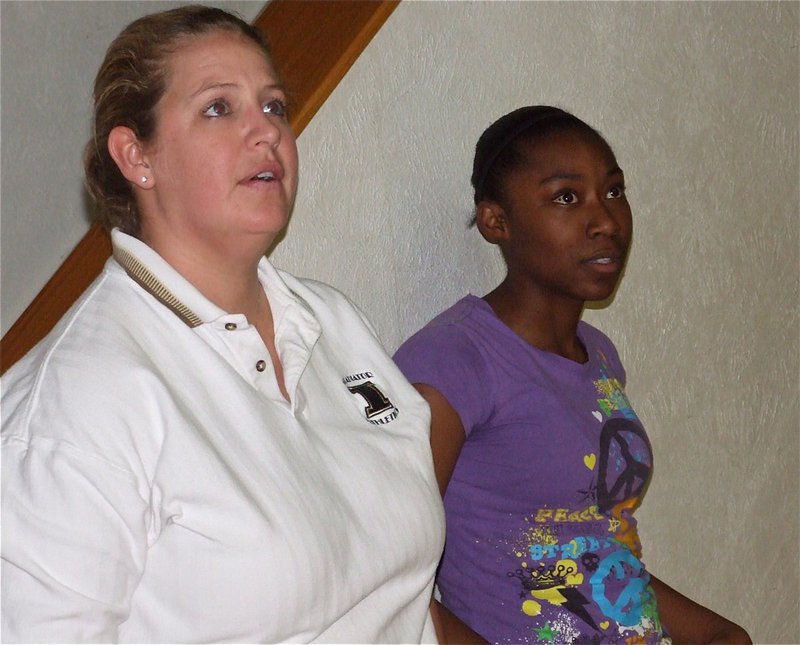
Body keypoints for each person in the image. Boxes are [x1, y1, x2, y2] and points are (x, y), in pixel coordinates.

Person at [0, 6, 447, 642]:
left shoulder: (332, 320)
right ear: (136, 155)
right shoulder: (75, 403)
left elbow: (403, 591)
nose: (265, 132)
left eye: (274, 107)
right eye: (218, 108)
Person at [393, 106, 752, 644]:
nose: (605, 220)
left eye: (613, 192)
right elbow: (388, 578)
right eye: (566, 197)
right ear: (497, 222)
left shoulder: (599, 356)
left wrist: (719, 635)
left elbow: (592, 544)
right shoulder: (453, 359)